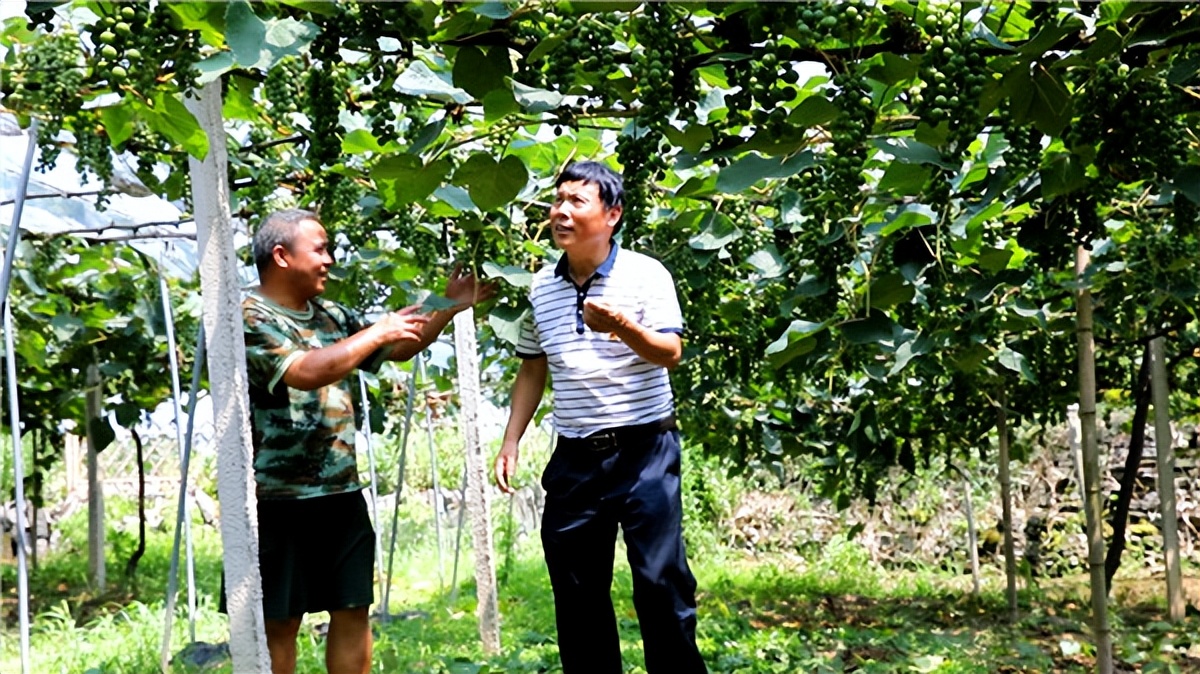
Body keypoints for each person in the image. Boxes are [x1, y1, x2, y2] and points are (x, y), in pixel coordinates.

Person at [242, 208, 493, 674]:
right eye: (320, 249)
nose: (329, 259)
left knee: (353, 609)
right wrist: (375, 331)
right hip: (276, 499)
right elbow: (304, 370)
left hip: (340, 491)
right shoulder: (250, 314)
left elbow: (396, 347)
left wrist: (449, 305)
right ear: (281, 255)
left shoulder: (331, 314)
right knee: (277, 622)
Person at [493, 161, 707, 674]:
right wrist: (511, 440)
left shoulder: (645, 274)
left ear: (612, 214)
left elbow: (669, 352)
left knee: (660, 582)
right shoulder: (542, 287)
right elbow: (532, 366)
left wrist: (621, 326)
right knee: (576, 590)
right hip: (575, 458)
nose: (561, 212)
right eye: (557, 200)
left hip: (645, 452)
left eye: (576, 202)